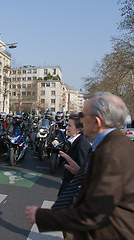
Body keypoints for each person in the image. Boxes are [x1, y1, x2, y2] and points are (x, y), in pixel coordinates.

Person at [25, 92, 134, 240]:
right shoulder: (111, 144)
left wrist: (42, 217)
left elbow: (94, 212)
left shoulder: (110, 152)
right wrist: (81, 172)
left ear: (96, 121)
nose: (81, 120)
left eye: (83, 115)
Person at [56, 112, 91, 197]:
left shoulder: (82, 144)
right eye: (67, 125)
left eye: (70, 126)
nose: (66, 127)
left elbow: (84, 171)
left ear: (78, 129)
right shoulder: (73, 141)